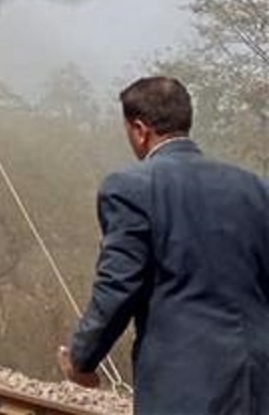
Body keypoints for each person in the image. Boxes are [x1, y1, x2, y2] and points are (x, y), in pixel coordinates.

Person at [59, 77, 269, 413]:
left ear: (140, 130)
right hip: (258, 385)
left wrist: (82, 358)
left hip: (188, 387)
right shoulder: (256, 190)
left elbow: (117, 287)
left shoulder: (130, 188)